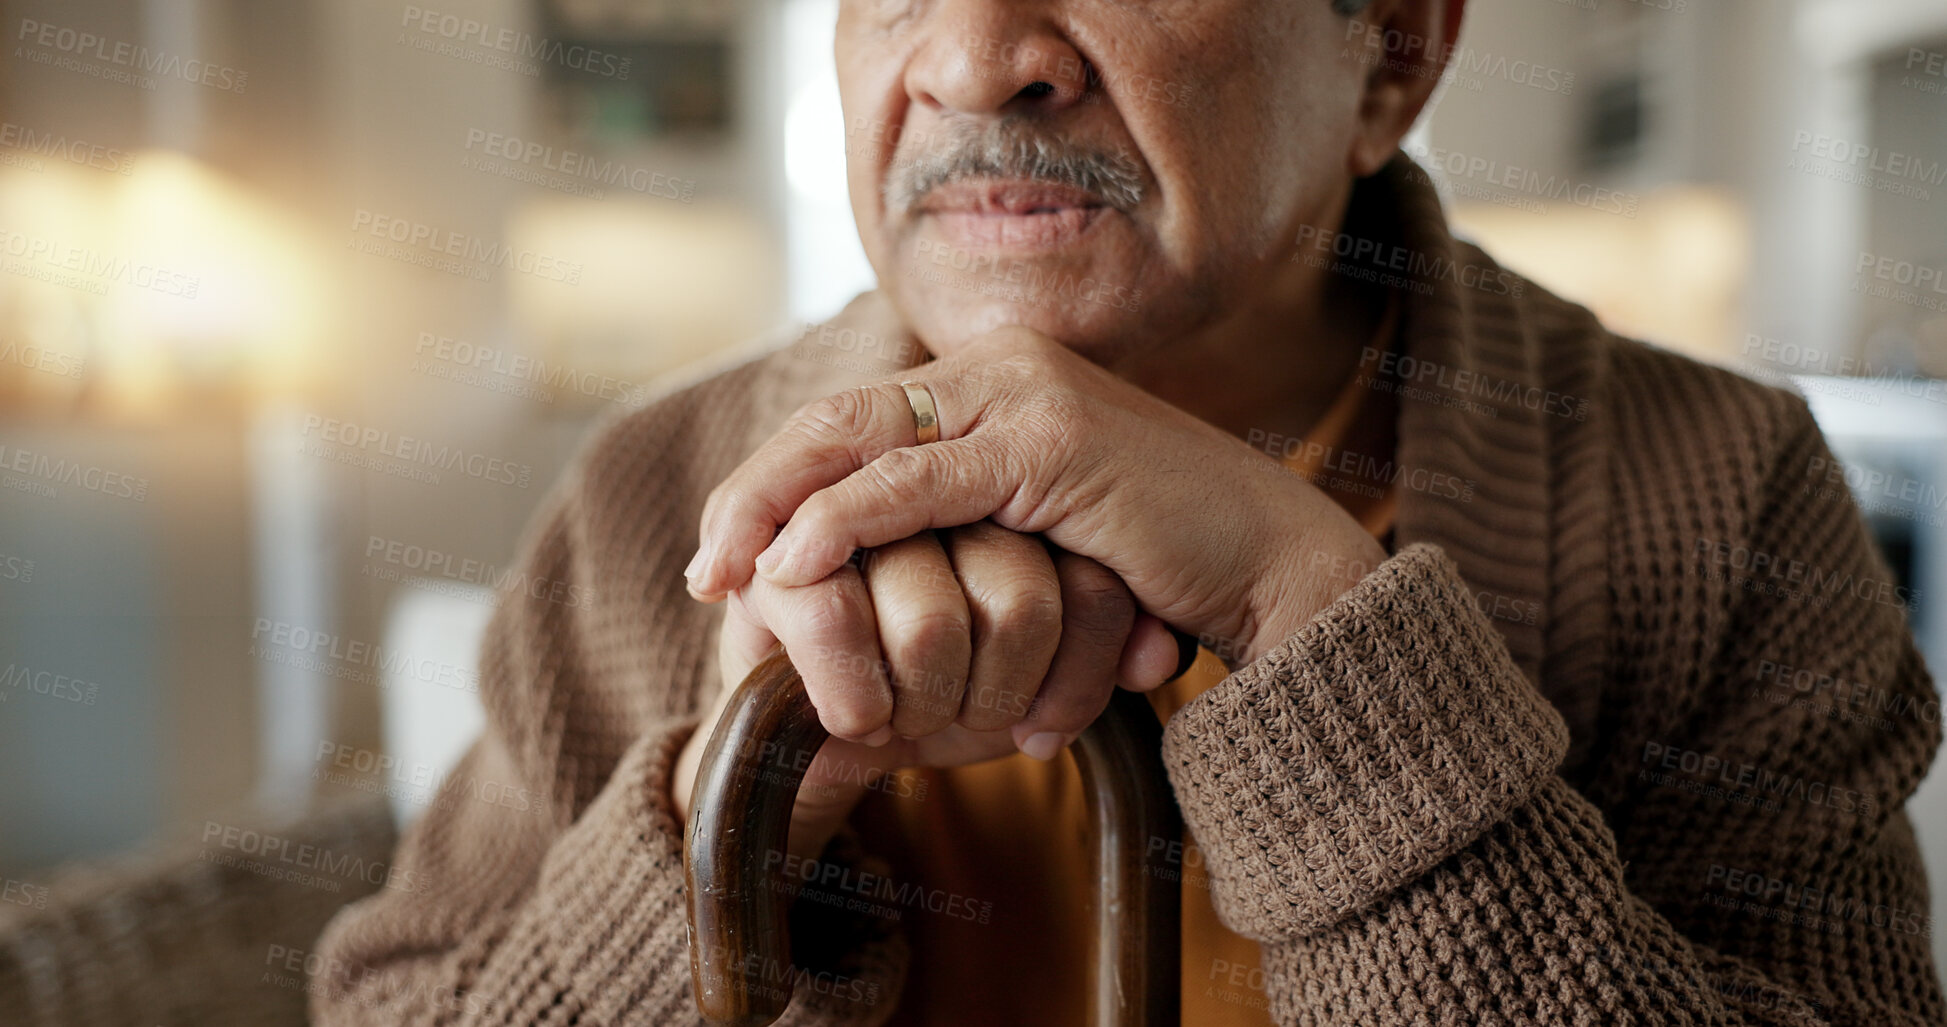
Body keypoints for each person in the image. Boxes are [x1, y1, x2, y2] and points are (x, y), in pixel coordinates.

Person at [312, 0, 1947, 1022]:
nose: (967, 55)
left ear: (1390, 48)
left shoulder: (1723, 492)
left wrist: (1320, 627)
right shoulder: (650, 493)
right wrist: (721, 828)